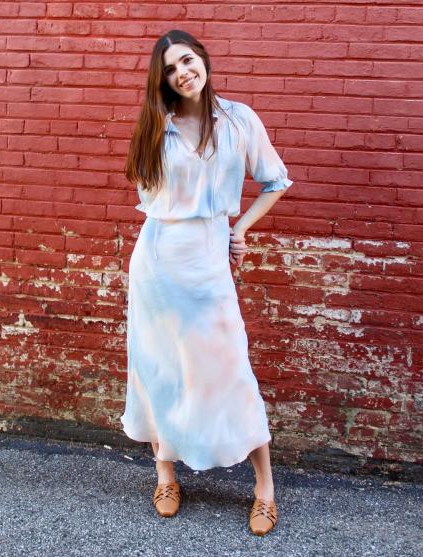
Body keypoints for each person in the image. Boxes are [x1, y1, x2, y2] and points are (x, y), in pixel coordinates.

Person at [120, 29, 293, 536]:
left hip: (210, 260)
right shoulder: (158, 125)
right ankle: (166, 474)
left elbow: (274, 180)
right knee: (161, 371)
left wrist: (237, 228)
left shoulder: (240, 120)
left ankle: (264, 488)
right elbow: (151, 198)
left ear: (204, 61)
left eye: (188, 60)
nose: (182, 73)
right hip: (157, 261)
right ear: (164, 79)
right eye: (171, 69)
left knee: (230, 370)